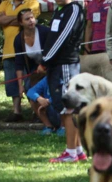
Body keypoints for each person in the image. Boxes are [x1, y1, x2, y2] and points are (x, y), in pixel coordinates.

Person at [37, 0, 87, 163]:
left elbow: (63, 37)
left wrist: (45, 61)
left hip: (66, 65)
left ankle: (71, 152)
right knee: (65, 108)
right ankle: (78, 150)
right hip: (56, 66)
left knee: (69, 109)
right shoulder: (60, 10)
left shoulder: (73, 9)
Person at [0, 0, 40, 122]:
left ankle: (36, 111)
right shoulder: (4, 3)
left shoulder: (32, 2)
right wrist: (18, 19)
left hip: (27, 50)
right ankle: (16, 111)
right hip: (8, 50)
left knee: (30, 82)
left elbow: (29, 22)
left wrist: (7, 18)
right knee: (11, 83)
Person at [13, 8, 48, 98]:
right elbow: (19, 64)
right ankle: (37, 107)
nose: (31, 20)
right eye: (27, 19)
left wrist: (44, 65)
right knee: (28, 86)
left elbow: (53, 51)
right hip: (34, 68)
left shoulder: (45, 31)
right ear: (21, 23)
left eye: (32, 17)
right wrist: (21, 86)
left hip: (51, 64)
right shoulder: (18, 40)